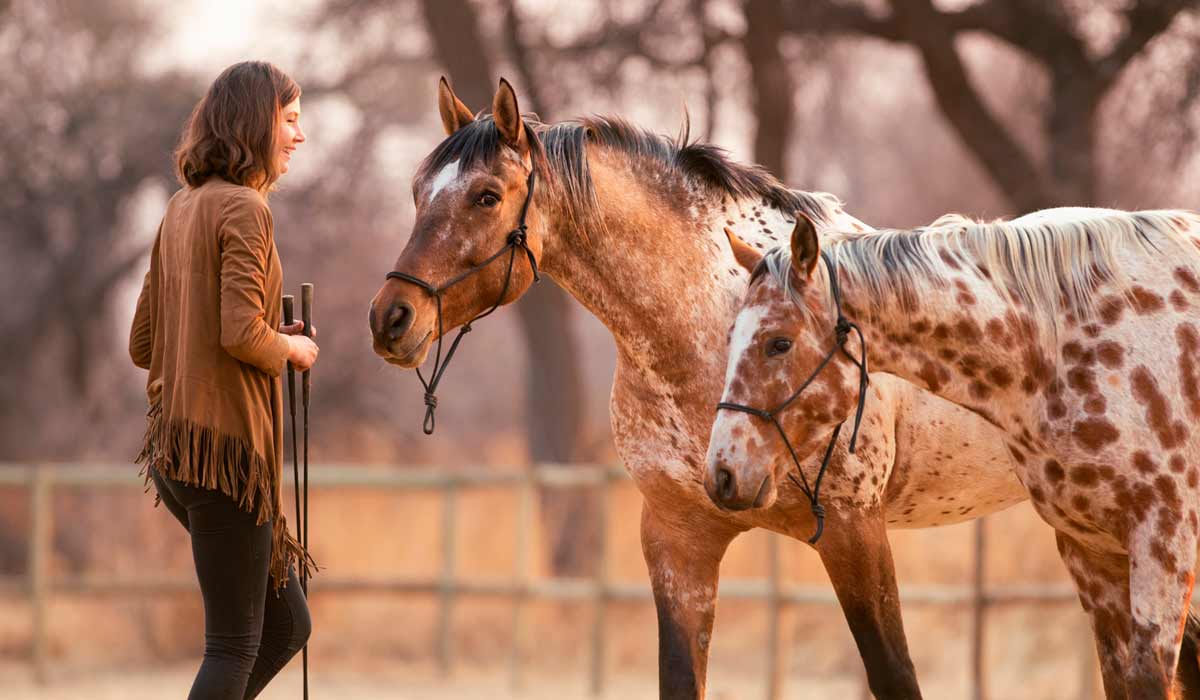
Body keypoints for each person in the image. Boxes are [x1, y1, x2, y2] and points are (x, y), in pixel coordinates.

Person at [128, 60, 317, 699]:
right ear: (255, 122)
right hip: (225, 461)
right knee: (234, 644)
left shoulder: (179, 209)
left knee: (288, 622)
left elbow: (141, 344)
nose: (299, 135)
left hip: (178, 459)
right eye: (289, 120)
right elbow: (242, 334)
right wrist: (291, 347)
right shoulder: (245, 209)